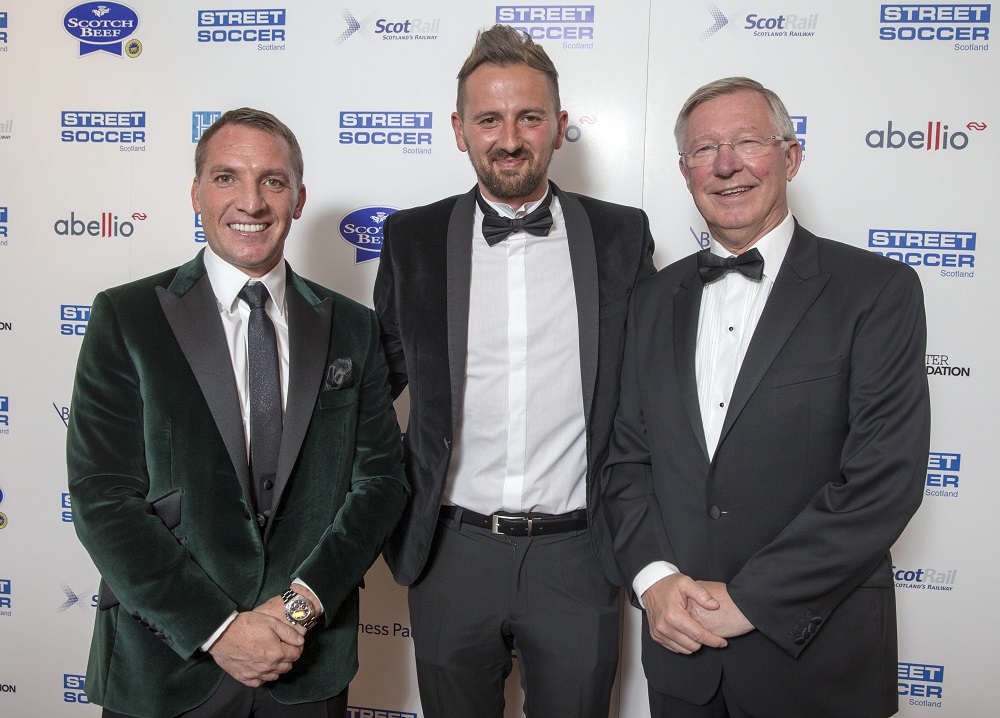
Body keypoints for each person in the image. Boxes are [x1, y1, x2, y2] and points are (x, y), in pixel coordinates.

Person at [602, 76, 931, 717]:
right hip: (683, 659)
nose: (725, 165)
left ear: (791, 156)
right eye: (704, 150)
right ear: (684, 169)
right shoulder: (650, 301)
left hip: (815, 662)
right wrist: (653, 580)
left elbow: (883, 481)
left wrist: (753, 599)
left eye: (747, 141)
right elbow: (626, 463)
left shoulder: (876, 290)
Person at [67, 107, 409, 718]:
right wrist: (220, 629)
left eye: (272, 181)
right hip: (166, 665)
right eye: (227, 178)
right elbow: (102, 498)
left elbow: (381, 485)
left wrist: (298, 607)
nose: (250, 201)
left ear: (299, 198)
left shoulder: (352, 327)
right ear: (195, 193)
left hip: (305, 659)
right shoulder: (127, 318)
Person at [373, 24, 655, 718]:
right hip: (451, 553)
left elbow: (654, 391)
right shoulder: (412, 238)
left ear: (559, 127)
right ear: (458, 129)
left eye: (529, 117)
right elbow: (375, 387)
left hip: (579, 555)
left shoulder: (622, 235)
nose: (509, 138)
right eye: (488, 119)